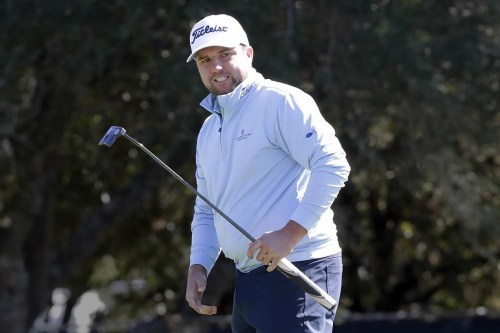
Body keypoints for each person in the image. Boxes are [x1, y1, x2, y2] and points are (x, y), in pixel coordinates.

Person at [184, 14, 351, 333]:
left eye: (225, 54)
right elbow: (206, 209)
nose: (216, 67)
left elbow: (332, 164)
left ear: (248, 53)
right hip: (247, 279)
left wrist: (290, 234)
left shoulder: (280, 102)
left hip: (298, 269)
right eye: (205, 60)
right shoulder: (209, 129)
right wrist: (199, 264)